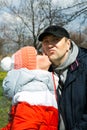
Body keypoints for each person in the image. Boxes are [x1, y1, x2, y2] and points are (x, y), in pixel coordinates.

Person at [38, 25, 87, 130]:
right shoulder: (42, 71)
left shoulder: (84, 66)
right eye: (46, 41)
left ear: (68, 44)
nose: (50, 45)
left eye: (56, 40)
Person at [0, 46, 59, 130]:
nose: (44, 53)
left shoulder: (36, 86)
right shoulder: (34, 91)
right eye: (39, 54)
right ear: (31, 65)